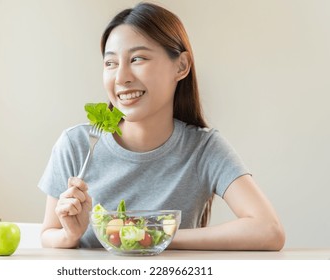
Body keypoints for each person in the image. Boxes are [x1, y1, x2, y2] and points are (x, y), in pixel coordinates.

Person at [38, 2, 285, 250]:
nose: (121, 77)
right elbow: (49, 233)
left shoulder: (202, 149)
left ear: (181, 66)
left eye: (137, 59)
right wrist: (69, 235)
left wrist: (153, 235)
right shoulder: (77, 144)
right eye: (110, 63)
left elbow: (268, 230)